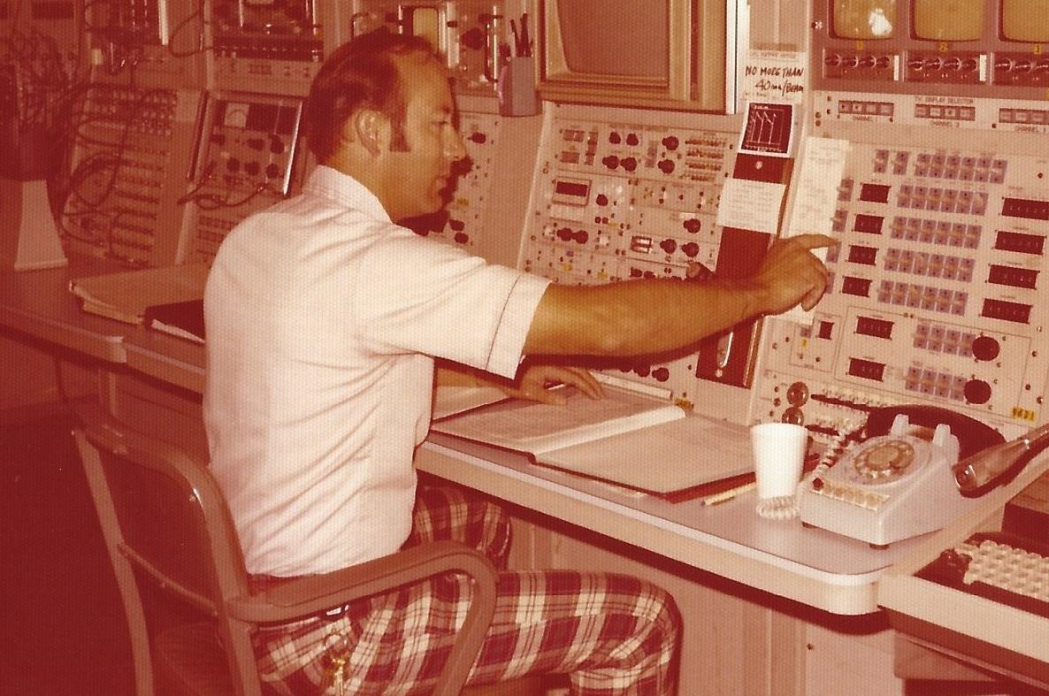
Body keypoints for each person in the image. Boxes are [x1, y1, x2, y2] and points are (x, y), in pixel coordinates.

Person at [203, 30, 833, 695]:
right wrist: (760, 290)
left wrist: (497, 371)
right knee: (641, 620)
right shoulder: (378, 262)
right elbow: (610, 326)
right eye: (440, 124)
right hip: (331, 638)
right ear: (372, 131)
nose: (458, 151)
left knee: (482, 523)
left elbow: (331, 359)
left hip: (243, 597)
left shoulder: (265, 234)